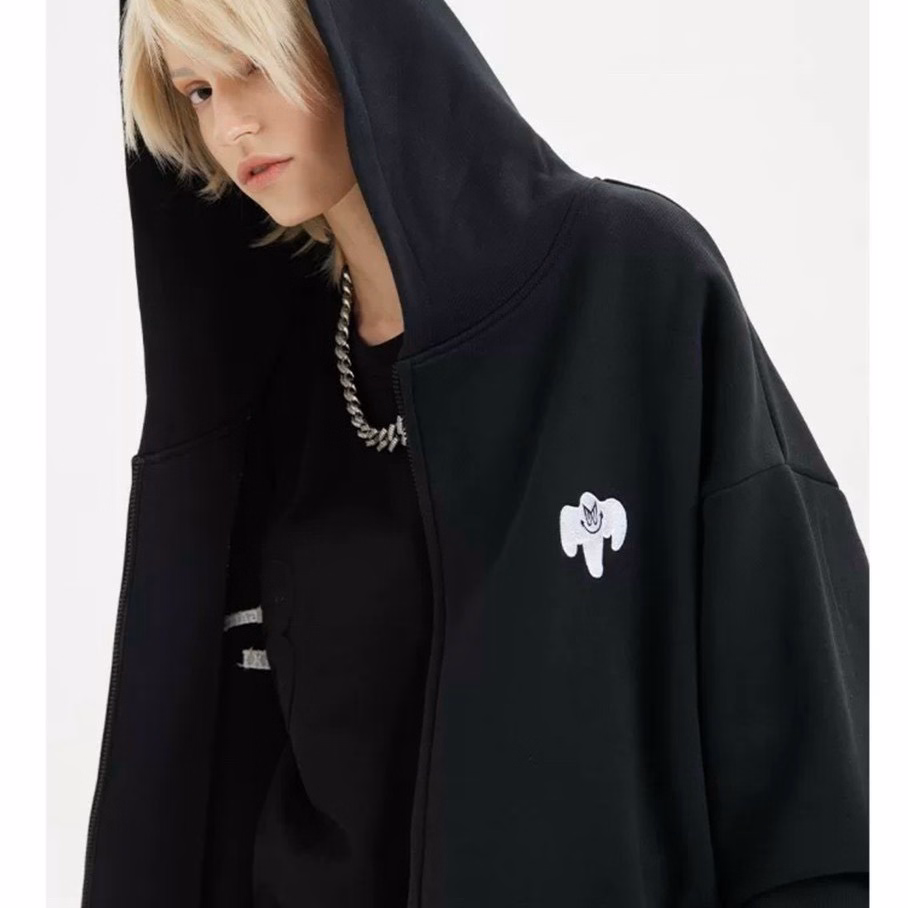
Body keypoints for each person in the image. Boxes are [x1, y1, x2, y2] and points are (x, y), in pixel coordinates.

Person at [81, 1, 869, 906]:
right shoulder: (279, 380)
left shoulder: (627, 281)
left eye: (251, 68)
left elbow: (794, 686)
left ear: (357, 40)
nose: (230, 125)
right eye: (198, 91)